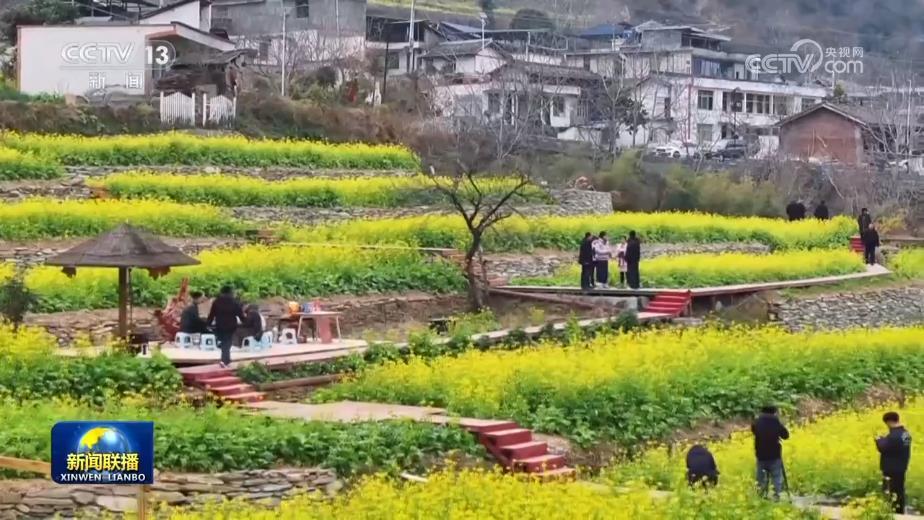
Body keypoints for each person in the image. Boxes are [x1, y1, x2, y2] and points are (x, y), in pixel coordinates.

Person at [876, 411, 912, 514]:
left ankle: (893, 512)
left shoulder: (893, 436)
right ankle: (900, 511)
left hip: (891, 468)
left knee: (890, 491)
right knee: (899, 490)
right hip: (902, 466)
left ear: (889, 422)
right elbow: (896, 446)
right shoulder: (906, 434)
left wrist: (878, 440)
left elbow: (883, 448)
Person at [752, 405, 790, 500]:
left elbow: (754, 430)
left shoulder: (757, 422)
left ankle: (760, 497)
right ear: (774, 412)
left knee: (760, 478)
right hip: (774, 454)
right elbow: (786, 435)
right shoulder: (775, 422)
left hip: (761, 454)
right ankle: (776, 496)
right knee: (776, 476)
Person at [207, 285, 246, 368]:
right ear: (230, 292)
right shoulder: (234, 302)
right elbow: (240, 314)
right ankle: (225, 360)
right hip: (231, 325)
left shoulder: (216, 302)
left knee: (224, 341)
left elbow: (211, 314)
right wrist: (245, 322)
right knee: (227, 341)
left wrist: (208, 324)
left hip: (219, 324)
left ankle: (225, 360)